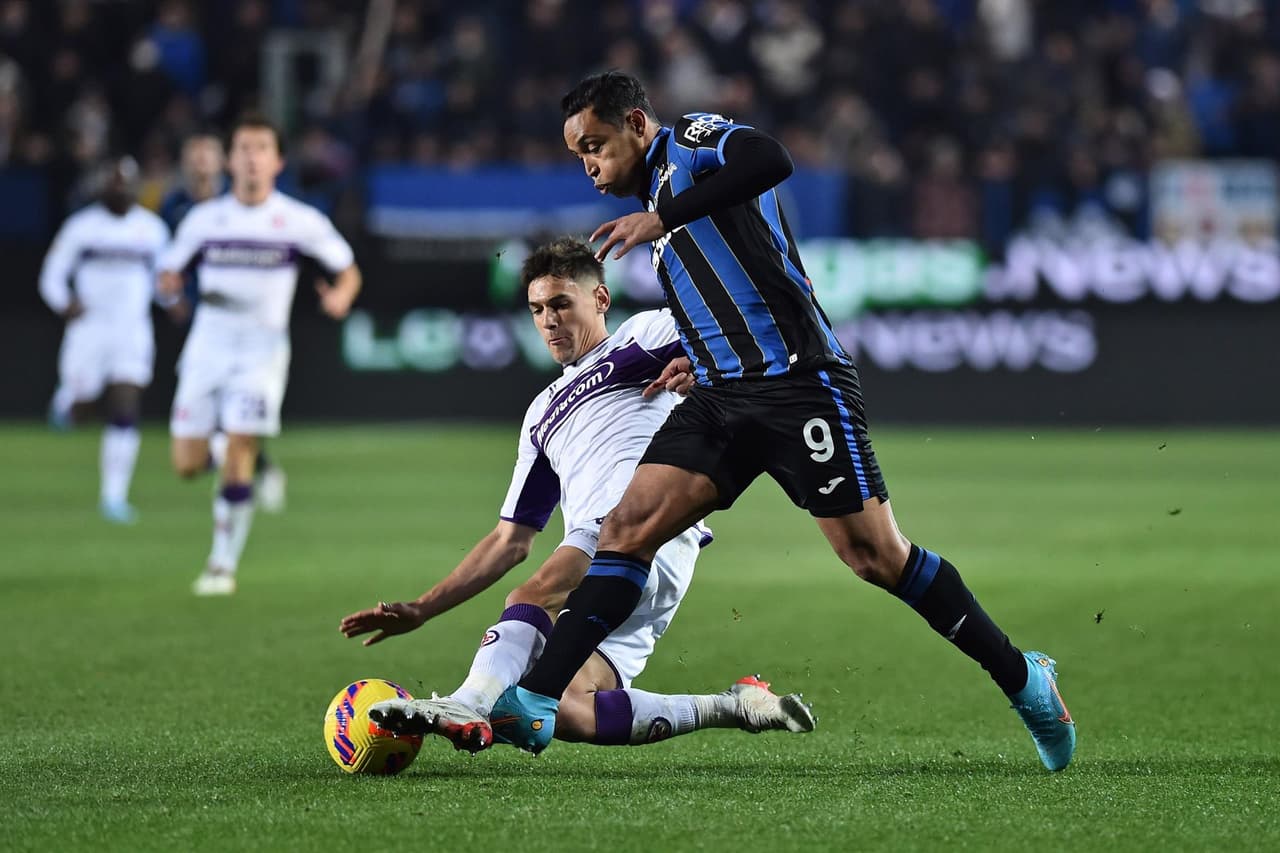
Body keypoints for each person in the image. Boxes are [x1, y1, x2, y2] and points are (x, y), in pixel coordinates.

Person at [489, 72, 1077, 772]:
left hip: (800, 386)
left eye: (595, 144)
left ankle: (1024, 678)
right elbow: (730, 294)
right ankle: (539, 695)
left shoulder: (691, 144)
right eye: (578, 153)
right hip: (721, 397)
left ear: (638, 124)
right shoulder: (658, 209)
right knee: (626, 530)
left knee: (875, 557)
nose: (588, 163)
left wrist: (665, 216)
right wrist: (698, 357)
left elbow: (771, 158)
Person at [341, 238, 814, 751]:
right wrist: (423, 608)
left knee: (531, 596)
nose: (549, 321)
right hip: (640, 564)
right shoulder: (541, 413)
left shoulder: (640, 338)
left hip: (636, 526)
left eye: (562, 304)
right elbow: (509, 541)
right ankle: (735, 705)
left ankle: (467, 702)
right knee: (571, 708)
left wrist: (700, 364)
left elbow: (732, 333)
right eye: (537, 309)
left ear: (601, 299)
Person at [158, 114, 361, 596]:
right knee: (186, 465)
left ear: (278, 161)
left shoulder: (298, 220)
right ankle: (239, 455)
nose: (252, 157)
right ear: (229, 160)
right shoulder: (204, 220)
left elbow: (348, 270)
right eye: (243, 148)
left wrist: (341, 296)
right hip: (207, 346)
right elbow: (168, 273)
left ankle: (221, 565)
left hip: (261, 351)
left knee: (239, 449)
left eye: (261, 148)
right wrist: (169, 288)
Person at [160, 131, 287, 513]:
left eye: (208, 155)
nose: (200, 162)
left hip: (245, 326)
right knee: (193, 446)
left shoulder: (238, 203)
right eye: (194, 155)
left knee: (239, 415)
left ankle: (253, 466)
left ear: (223, 163)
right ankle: (243, 460)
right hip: (196, 319)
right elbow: (165, 261)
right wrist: (170, 297)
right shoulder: (176, 206)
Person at [39, 156, 170, 524]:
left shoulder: (152, 230)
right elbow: (51, 276)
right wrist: (64, 304)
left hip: (132, 330)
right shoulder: (81, 228)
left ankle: (114, 496)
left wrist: (172, 299)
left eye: (127, 183)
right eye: (115, 182)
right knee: (84, 405)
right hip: (89, 330)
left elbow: (164, 280)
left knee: (126, 404)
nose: (121, 189)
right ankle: (68, 404)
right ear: (103, 187)